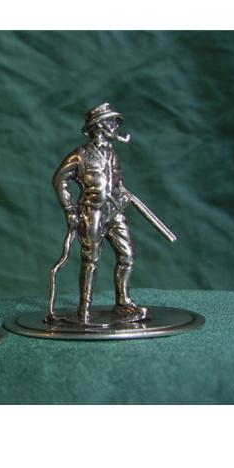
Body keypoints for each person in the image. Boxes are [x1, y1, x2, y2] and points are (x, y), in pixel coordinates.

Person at [52, 103, 149, 324]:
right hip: (91, 212)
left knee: (127, 256)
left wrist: (123, 195)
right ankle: (84, 309)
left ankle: (123, 303)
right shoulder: (80, 155)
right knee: (91, 258)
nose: (116, 127)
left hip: (114, 212)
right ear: (99, 126)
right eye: (112, 123)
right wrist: (69, 209)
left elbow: (118, 184)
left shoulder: (113, 154)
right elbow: (59, 179)